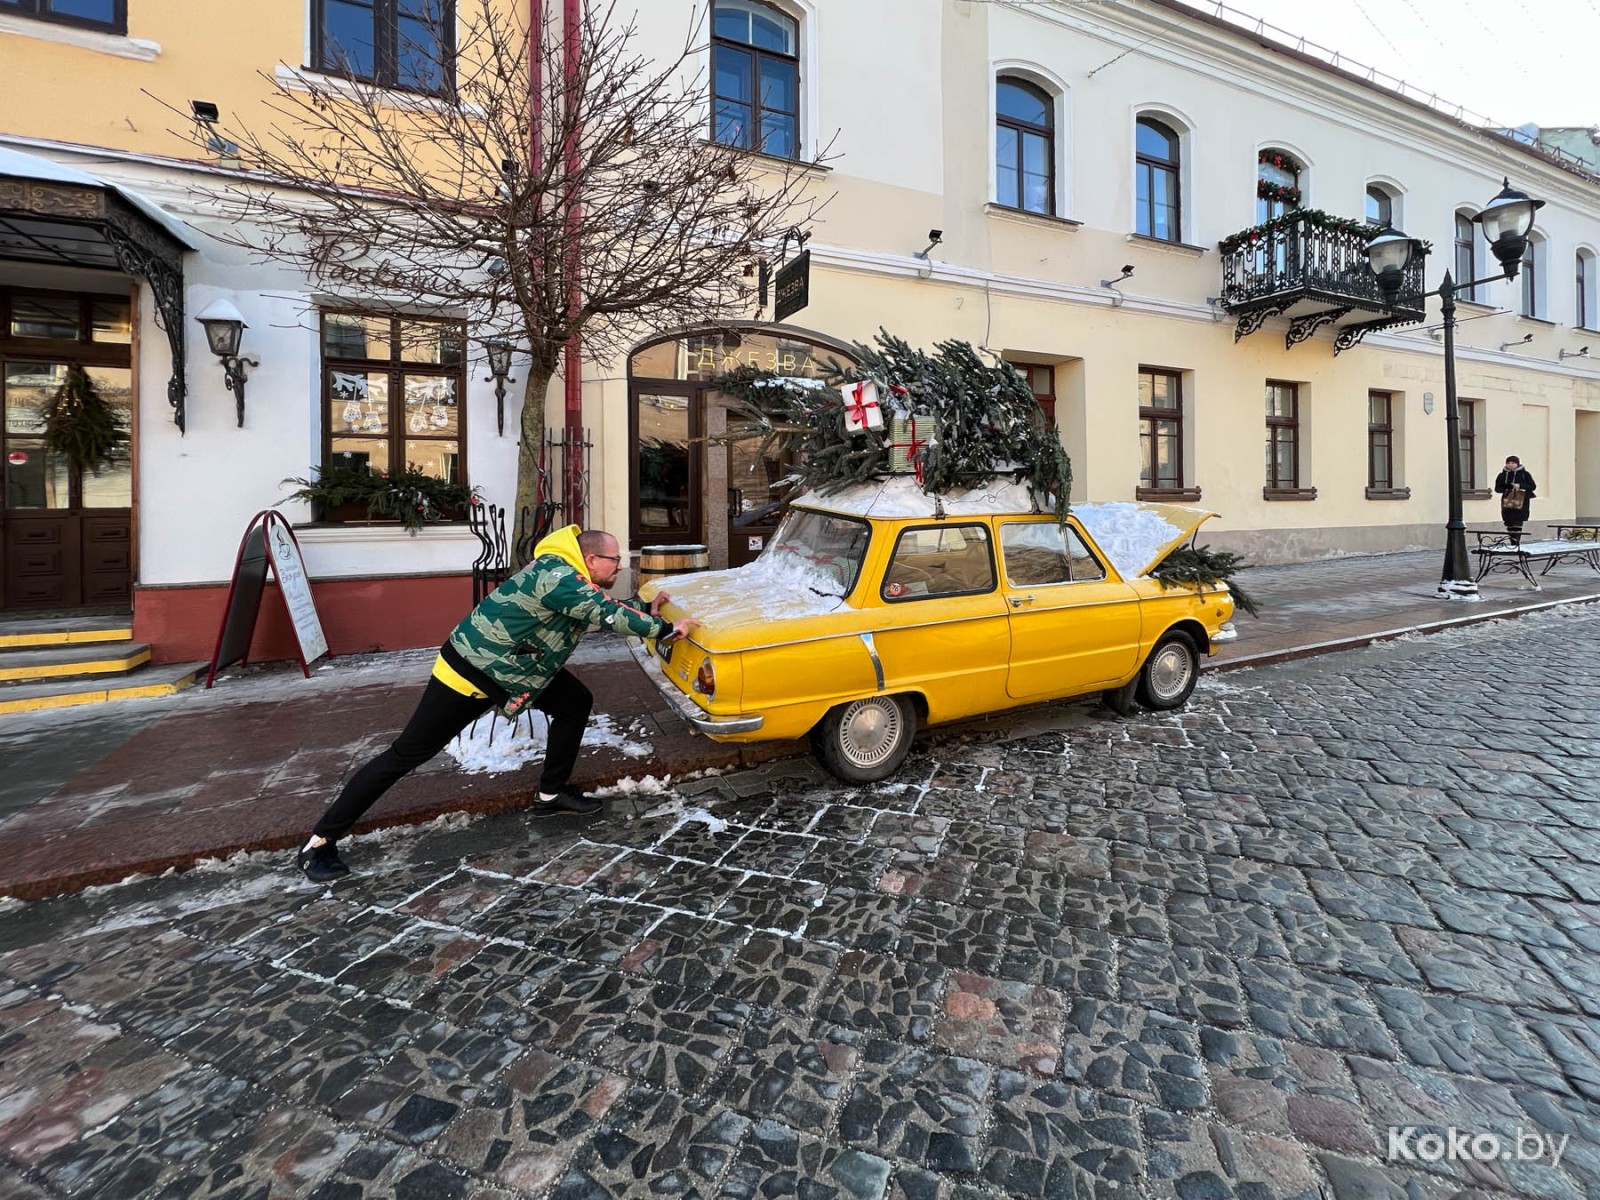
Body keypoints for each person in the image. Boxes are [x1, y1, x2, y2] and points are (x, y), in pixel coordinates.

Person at [297, 525, 698, 882]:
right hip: (472, 673)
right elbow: (602, 611)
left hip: (516, 667)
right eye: (615, 561)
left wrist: (645, 609)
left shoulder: (567, 574)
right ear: (592, 559)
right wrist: (665, 628)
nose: (618, 567)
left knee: (575, 701)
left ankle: (550, 795)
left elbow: (595, 606)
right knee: (407, 754)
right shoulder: (558, 576)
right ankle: (320, 841)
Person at [1493, 455, 1537, 545]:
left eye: (1513, 463)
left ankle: (1516, 542)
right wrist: (1508, 486)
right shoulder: (1502, 475)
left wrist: (1520, 486)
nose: (1510, 465)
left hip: (1521, 501)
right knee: (1509, 522)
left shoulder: (1525, 474)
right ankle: (1512, 541)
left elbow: (1532, 486)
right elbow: (1497, 488)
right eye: (1508, 463)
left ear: (1517, 464)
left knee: (1517, 522)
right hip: (1507, 501)